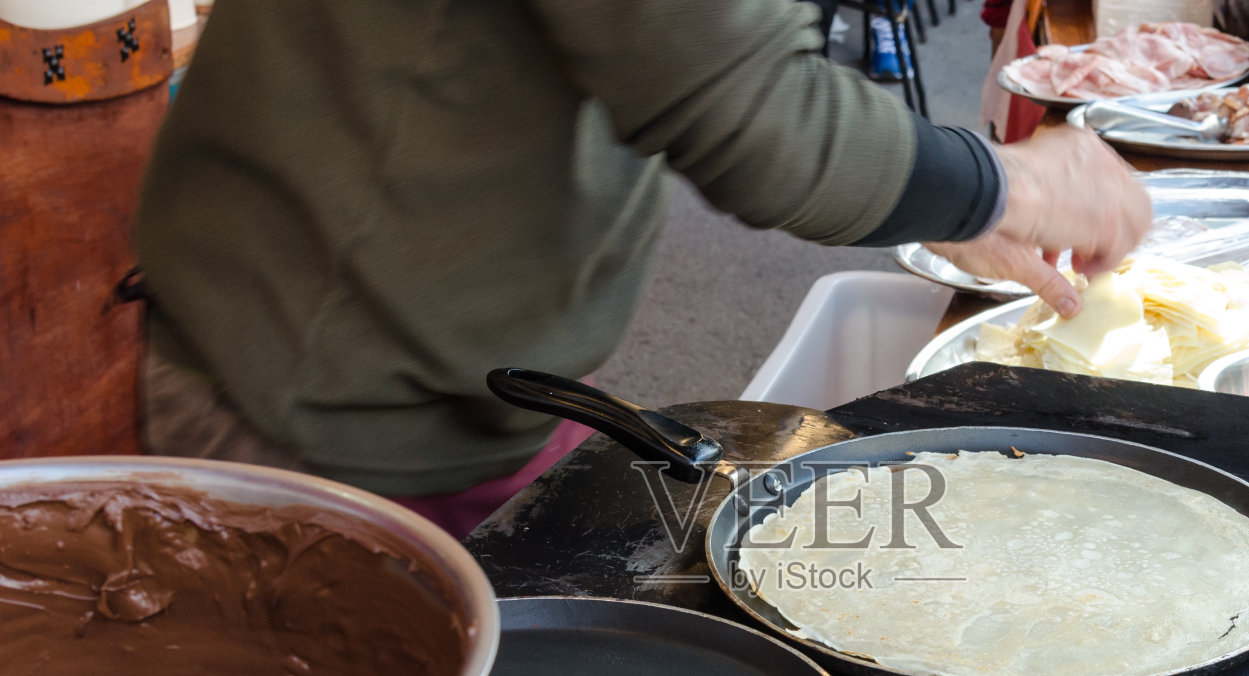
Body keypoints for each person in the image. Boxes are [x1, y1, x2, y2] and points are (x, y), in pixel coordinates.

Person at [136, 0, 1150, 536]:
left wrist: (938, 195)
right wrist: (994, 183)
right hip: (319, 395)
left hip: (450, 370)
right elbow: (749, 115)